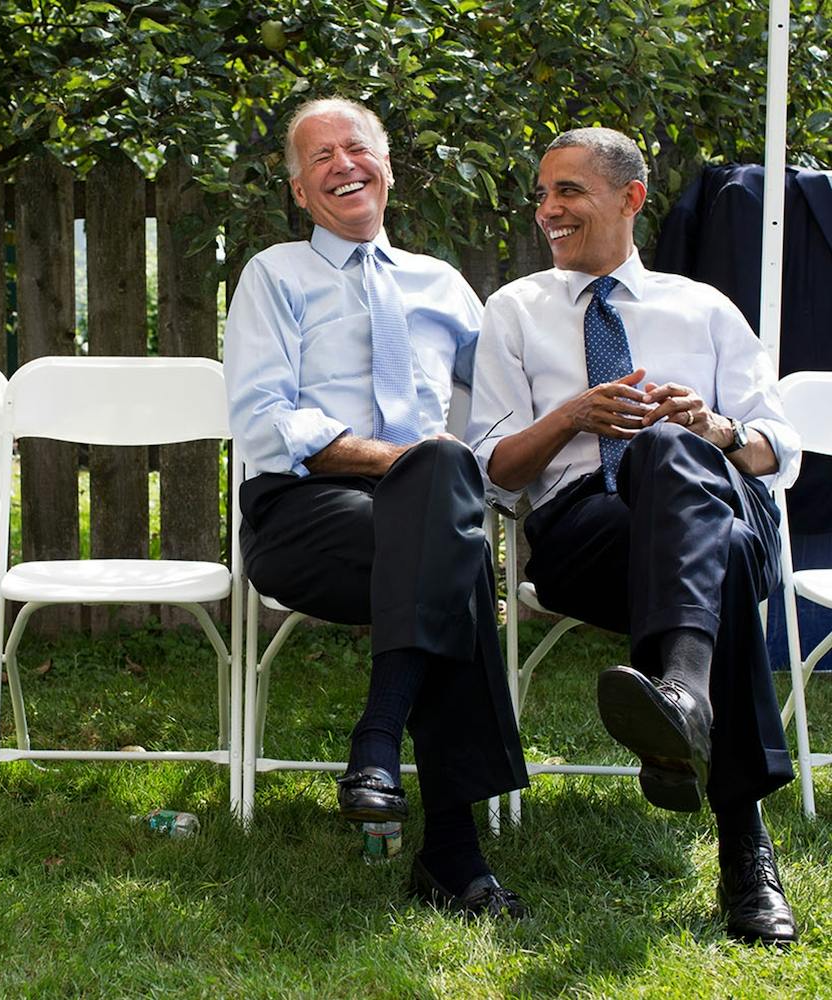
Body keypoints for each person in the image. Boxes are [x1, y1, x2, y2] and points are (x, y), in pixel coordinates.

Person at [466, 126, 802, 945]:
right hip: (589, 533)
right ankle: (742, 843)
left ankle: (683, 702)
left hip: (722, 498)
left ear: (630, 199)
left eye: (568, 191)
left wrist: (712, 428)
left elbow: (776, 449)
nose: (548, 209)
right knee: (710, 553)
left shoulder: (705, 306)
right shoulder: (515, 311)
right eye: (542, 193)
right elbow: (492, 469)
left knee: (670, 451)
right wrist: (573, 415)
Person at [224, 97, 529, 919]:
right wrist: (415, 463)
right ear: (298, 190)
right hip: (307, 514)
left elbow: (507, 399)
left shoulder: (443, 286)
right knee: (448, 531)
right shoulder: (274, 276)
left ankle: (378, 753)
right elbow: (264, 420)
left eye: (355, 148)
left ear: (388, 168)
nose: (342, 165)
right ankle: (453, 852)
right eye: (318, 157)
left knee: (443, 530)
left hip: (423, 518)